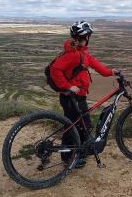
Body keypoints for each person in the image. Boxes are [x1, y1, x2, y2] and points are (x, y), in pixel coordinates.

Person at [50, 21, 118, 168]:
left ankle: (74, 154)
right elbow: (55, 70)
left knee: (79, 125)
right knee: (78, 126)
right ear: (86, 37)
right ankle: (69, 158)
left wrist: (113, 72)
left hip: (76, 97)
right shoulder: (74, 55)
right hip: (71, 97)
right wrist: (68, 86)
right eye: (88, 36)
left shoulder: (83, 55)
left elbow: (100, 69)